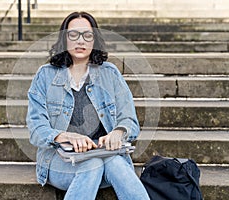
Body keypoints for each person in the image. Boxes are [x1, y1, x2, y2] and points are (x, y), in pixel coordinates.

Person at [26, 11, 150, 200]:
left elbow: (129, 119)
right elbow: (36, 128)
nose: (80, 41)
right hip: (60, 161)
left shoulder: (110, 73)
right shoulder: (45, 75)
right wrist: (63, 136)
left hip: (105, 156)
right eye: (73, 35)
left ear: (95, 40)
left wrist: (119, 132)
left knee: (113, 163)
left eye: (87, 35)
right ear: (64, 39)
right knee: (93, 165)